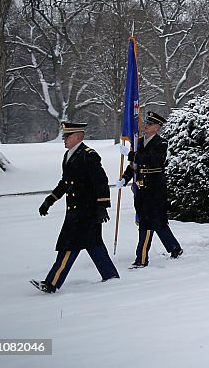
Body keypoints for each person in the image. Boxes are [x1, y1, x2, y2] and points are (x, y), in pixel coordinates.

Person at [32, 121, 119, 293]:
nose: (64, 139)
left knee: (69, 246)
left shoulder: (89, 155)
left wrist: (102, 207)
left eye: (67, 136)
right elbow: (65, 183)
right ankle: (110, 276)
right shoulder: (69, 156)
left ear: (78, 136)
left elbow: (101, 182)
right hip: (75, 211)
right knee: (93, 244)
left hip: (86, 211)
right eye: (64, 136)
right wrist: (50, 200)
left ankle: (52, 283)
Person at [121, 110, 183, 267]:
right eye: (146, 123)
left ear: (157, 127)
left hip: (155, 186)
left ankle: (141, 258)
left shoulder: (161, 143)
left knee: (147, 222)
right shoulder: (139, 142)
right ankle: (174, 247)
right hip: (141, 186)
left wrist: (133, 155)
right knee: (158, 221)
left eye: (149, 124)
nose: (146, 126)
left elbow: (153, 160)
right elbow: (135, 166)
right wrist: (125, 178)